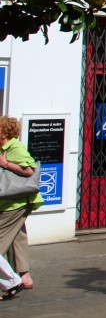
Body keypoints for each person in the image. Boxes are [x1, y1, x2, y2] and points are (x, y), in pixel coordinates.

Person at [0, 116, 41, 293]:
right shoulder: (4, 147)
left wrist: (6, 164)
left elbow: (29, 170)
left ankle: (12, 281)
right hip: (9, 202)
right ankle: (25, 278)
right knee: (17, 237)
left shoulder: (14, 147)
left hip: (15, 203)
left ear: (3, 132)